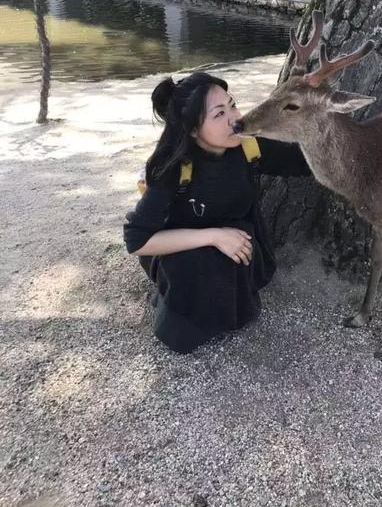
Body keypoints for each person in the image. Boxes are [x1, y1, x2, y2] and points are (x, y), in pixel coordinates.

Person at [124, 72, 310, 354]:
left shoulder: (249, 147)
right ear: (193, 130)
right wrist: (213, 236)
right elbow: (137, 241)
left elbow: (307, 160)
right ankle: (169, 300)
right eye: (219, 114)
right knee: (184, 329)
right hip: (180, 257)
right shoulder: (175, 168)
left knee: (233, 276)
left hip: (239, 248)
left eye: (232, 105)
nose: (235, 118)